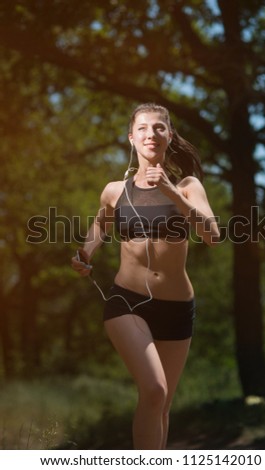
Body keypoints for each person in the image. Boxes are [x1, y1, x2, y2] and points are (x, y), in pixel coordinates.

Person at [71, 103, 220, 450]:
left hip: (177, 307)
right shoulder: (115, 190)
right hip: (127, 300)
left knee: (162, 405)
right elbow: (101, 223)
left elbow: (213, 236)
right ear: (131, 137)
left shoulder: (188, 186)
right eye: (142, 128)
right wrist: (84, 254)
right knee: (154, 390)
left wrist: (171, 192)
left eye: (158, 128)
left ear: (169, 136)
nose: (150, 134)